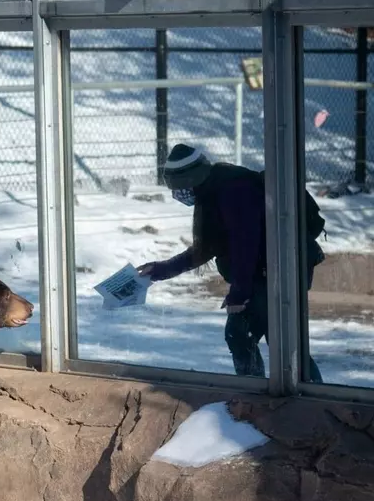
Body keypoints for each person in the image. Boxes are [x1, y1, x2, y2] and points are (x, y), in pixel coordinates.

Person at [137, 143, 325, 381]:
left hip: (280, 270)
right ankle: (261, 391)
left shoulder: (234, 190)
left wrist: (240, 294)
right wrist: (161, 269)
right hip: (265, 271)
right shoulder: (212, 191)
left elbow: (245, 245)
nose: (178, 195)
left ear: (194, 179)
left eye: (181, 187)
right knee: (262, 337)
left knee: (272, 340)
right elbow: (210, 246)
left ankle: (294, 396)